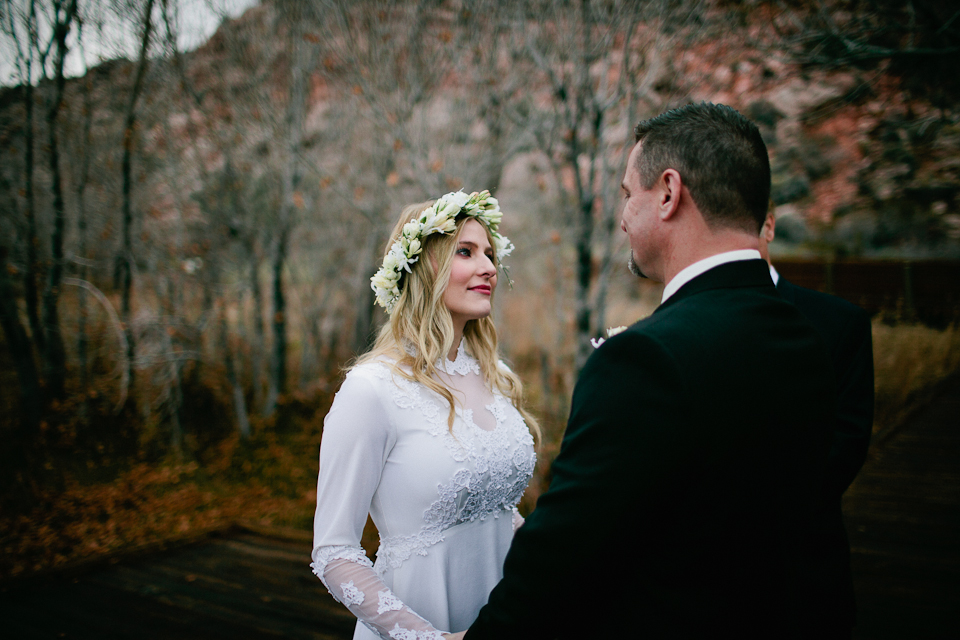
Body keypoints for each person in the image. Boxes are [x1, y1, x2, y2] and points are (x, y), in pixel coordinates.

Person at [457, 103, 838, 640]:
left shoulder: (645, 360)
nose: (622, 215)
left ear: (667, 193)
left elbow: (565, 554)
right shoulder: (807, 339)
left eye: (625, 193)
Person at [310, 190, 539, 640]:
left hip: (503, 618)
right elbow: (333, 551)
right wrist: (429, 638)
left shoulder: (497, 377)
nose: (489, 267)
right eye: (466, 252)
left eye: (490, 254)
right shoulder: (371, 390)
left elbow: (494, 507)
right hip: (420, 622)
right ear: (422, 267)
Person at [760, 211, 874, 639]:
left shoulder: (838, 323)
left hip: (807, 570)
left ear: (768, 225)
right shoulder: (673, 323)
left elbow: (846, 444)